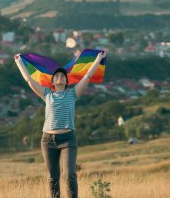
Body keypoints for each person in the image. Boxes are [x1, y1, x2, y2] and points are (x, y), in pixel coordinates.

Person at [14, 51, 107, 198]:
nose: (60, 77)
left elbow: (87, 76)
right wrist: (19, 62)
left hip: (68, 140)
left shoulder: (72, 94)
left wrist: (98, 58)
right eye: (56, 76)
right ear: (52, 82)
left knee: (70, 174)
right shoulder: (46, 94)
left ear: (66, 81)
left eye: (62, 76)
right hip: (48, 141)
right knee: (53, 177)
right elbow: (29, 80)